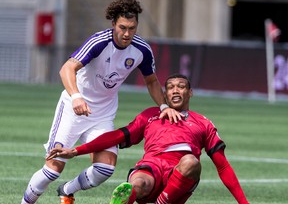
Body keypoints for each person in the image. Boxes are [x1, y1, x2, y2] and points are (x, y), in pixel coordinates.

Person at [21, 0, 182, 204]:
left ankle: (67, 190)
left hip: (103, 114)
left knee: (105, 168)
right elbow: (67, 68)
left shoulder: (142, 50)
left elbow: (151, 81)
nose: (126, 33)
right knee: (53, 168)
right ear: (113, 23)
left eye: (132, 28)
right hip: (73, 109)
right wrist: (76, 96)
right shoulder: (99, 41)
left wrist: (163, 106)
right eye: (122, 27)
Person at [47, 74, 250, 204]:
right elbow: (117, 136)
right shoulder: (151, 115)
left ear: (190, 92)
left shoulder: (203, 123)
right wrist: (77, 150)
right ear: (164, 93)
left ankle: (161, 202)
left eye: (181, 86)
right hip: (151, 168)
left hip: (178, 178)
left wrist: (244, 203)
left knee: (191, 161)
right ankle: (128, 199)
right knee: (135, 184)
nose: (175, 90)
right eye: (170, 87)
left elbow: (223, 167)